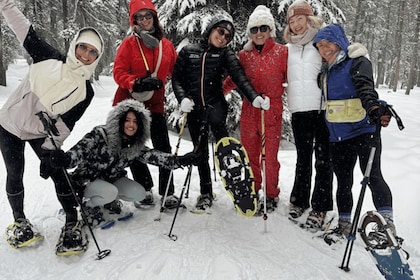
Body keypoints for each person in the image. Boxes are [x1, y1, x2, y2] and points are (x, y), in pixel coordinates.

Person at [0, 0, 103, 251]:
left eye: (93, 52)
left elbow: (66, 124)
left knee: (59, 172)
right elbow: (23, 28)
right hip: (9, 125)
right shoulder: (49, 57)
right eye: (83, 47)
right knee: (15, 173)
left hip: (39, 133)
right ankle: (20, 221)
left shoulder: (85, 91)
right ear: (74, 45)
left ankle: (71, 221)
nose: (86, 55)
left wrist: (51, 151)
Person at [42, 99, 198, 228]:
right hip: (87, 180)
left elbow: (153, 156)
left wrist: (180, 160)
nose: (131, 125)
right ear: (119, 120)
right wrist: (65, 159)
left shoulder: (134, 144)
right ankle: (88, 207)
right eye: (127, 120)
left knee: (139, 193)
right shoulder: (100, 134)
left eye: (136, 121)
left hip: (112, 179)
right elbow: (79, 151)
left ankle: (107, 200)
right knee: (109, 192)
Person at [172, 13, 270, 211]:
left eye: (227, 36)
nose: (223, 37)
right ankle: (206, 193)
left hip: (215, 106)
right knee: (200, 153)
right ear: (211, 30)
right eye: (221, 32)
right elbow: (177, 78)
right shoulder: (188, 51)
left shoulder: (225, 54)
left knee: (226, 150)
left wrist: (254, 97)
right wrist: (182, 98)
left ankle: (239, 191)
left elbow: (239, 78)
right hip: (194, 109)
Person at [313, 24, 394, 241]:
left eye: (328, 43)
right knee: (344, 181)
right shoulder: (324, 73)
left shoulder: (357, 61)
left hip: (364, 130)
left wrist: (374, 108)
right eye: (320, 46)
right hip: (338, 135)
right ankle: (345, 225)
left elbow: (365, 87)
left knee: (373, 176)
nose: (324, 49)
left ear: (339, 41)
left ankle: (387, 228)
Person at [112, 0, 178, 209]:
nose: (145, 20)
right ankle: (145, 189)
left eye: (148, 15)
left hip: (155, 104)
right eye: (139, 17)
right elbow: (118, 72)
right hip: (130, 104)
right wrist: (136, 82)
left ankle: (168, 192)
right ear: (134, 21)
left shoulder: (166, 46)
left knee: (163, 147)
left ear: (155, 17)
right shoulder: (129, 44)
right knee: (133, 148)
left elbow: (177, 72)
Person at [223, 5, 287, 213]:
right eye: (254, 29)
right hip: (250, 110)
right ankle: (253, 188)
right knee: (250, 154)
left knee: (269, 156)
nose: (259, 33)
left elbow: (292, 79)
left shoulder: (282, 52)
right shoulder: (244, 55)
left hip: (272, 110)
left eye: (263, 28)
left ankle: (271, 194)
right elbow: (236, 79)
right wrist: (217, 92)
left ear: (270, 30)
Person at [283, 0, 334, 230]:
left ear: (309, 19)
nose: (296, 25)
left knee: (323, 159)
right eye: (291, 21)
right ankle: (299, 201)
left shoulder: (321, 43)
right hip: (298, 110)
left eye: (299, 19)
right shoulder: (288, 48)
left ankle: (321, 207)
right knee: (303, 158)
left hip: (322, 109)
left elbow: (339, 58)